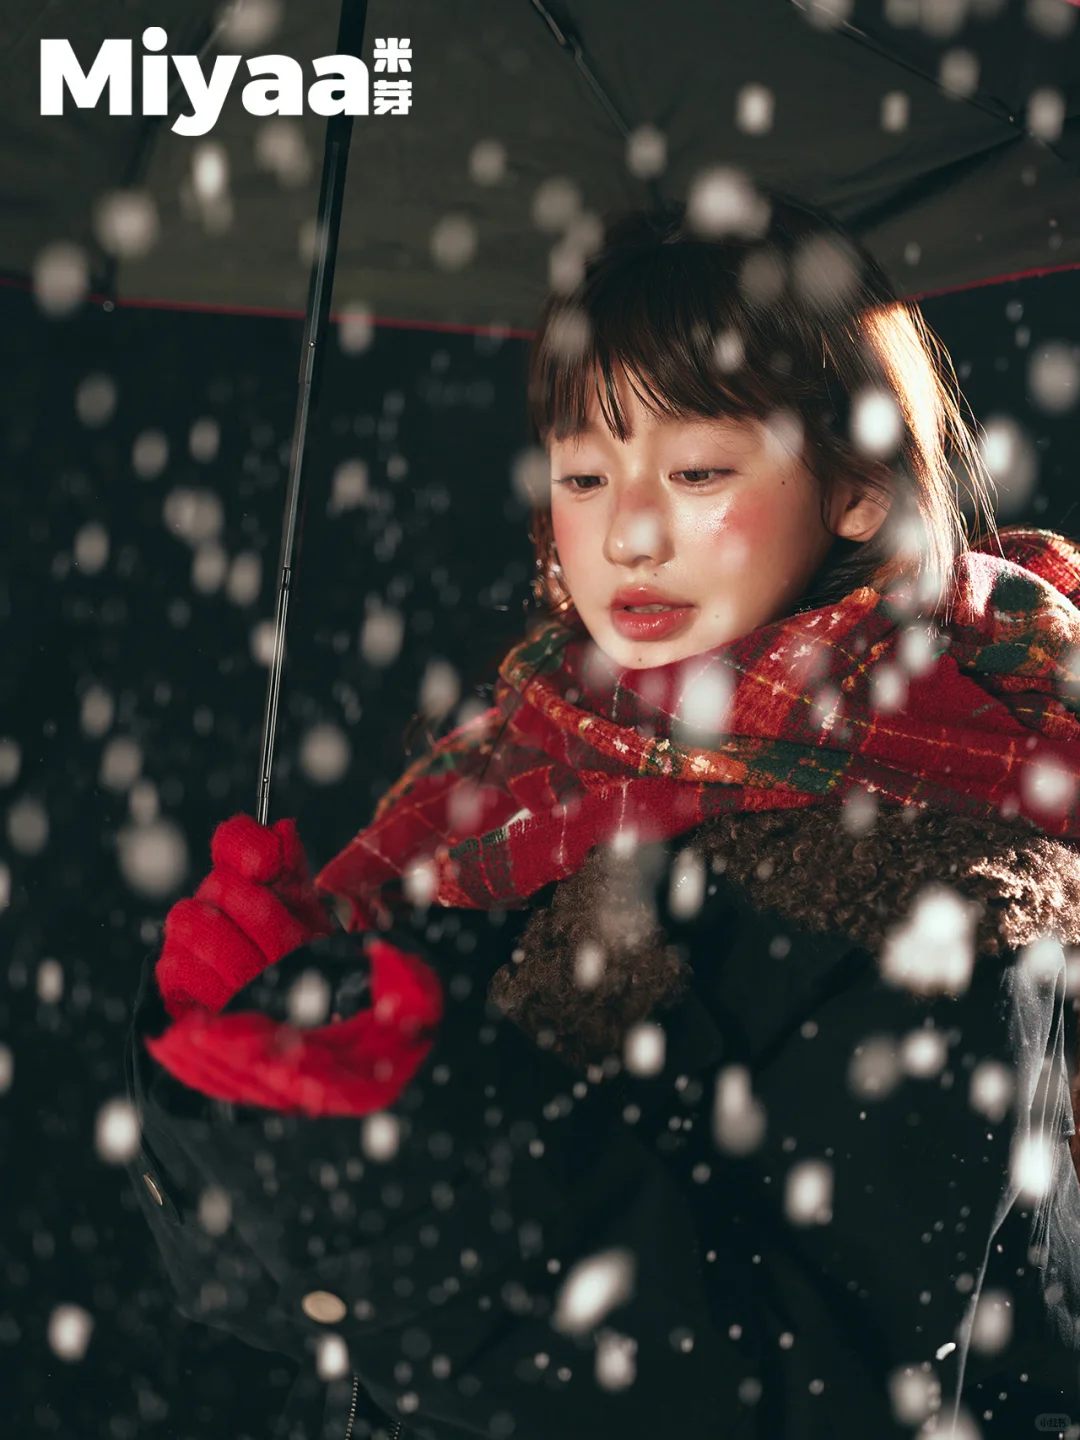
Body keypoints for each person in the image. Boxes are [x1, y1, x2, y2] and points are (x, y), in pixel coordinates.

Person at [124, 188, 1080, 1440]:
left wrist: (432, 1155)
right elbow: (280, 1311)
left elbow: (823, 1403)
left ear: (857, 488)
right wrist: (246, 1069)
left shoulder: (948, 879)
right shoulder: (503, 799)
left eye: (697, 471)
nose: (628, 533)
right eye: (584, 473)